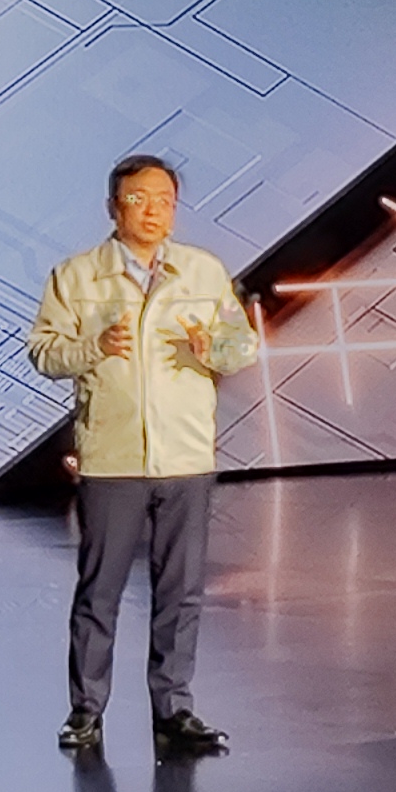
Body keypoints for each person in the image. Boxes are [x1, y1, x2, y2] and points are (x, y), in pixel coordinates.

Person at [23, 153, 261, 760]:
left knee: (180, 592)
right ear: (114, 207)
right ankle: (86, 710)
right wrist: (94, 346)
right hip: (112, 456)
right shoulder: (77, 276)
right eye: (139, 199)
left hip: (185, 455)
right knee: (99, 591)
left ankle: (173, 709)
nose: (153, 211)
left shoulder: (202, 271)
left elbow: (241, 346)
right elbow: (44, 353)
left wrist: (215, 348)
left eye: (164, 200)